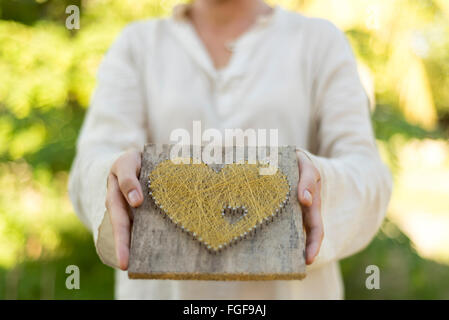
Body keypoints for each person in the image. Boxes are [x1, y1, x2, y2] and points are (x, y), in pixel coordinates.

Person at [68, 0, 392, 299]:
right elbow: (90, 165)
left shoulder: (320, 42)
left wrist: (320, 180)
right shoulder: (137, 45)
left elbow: (368, 174)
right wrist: (111, 174)